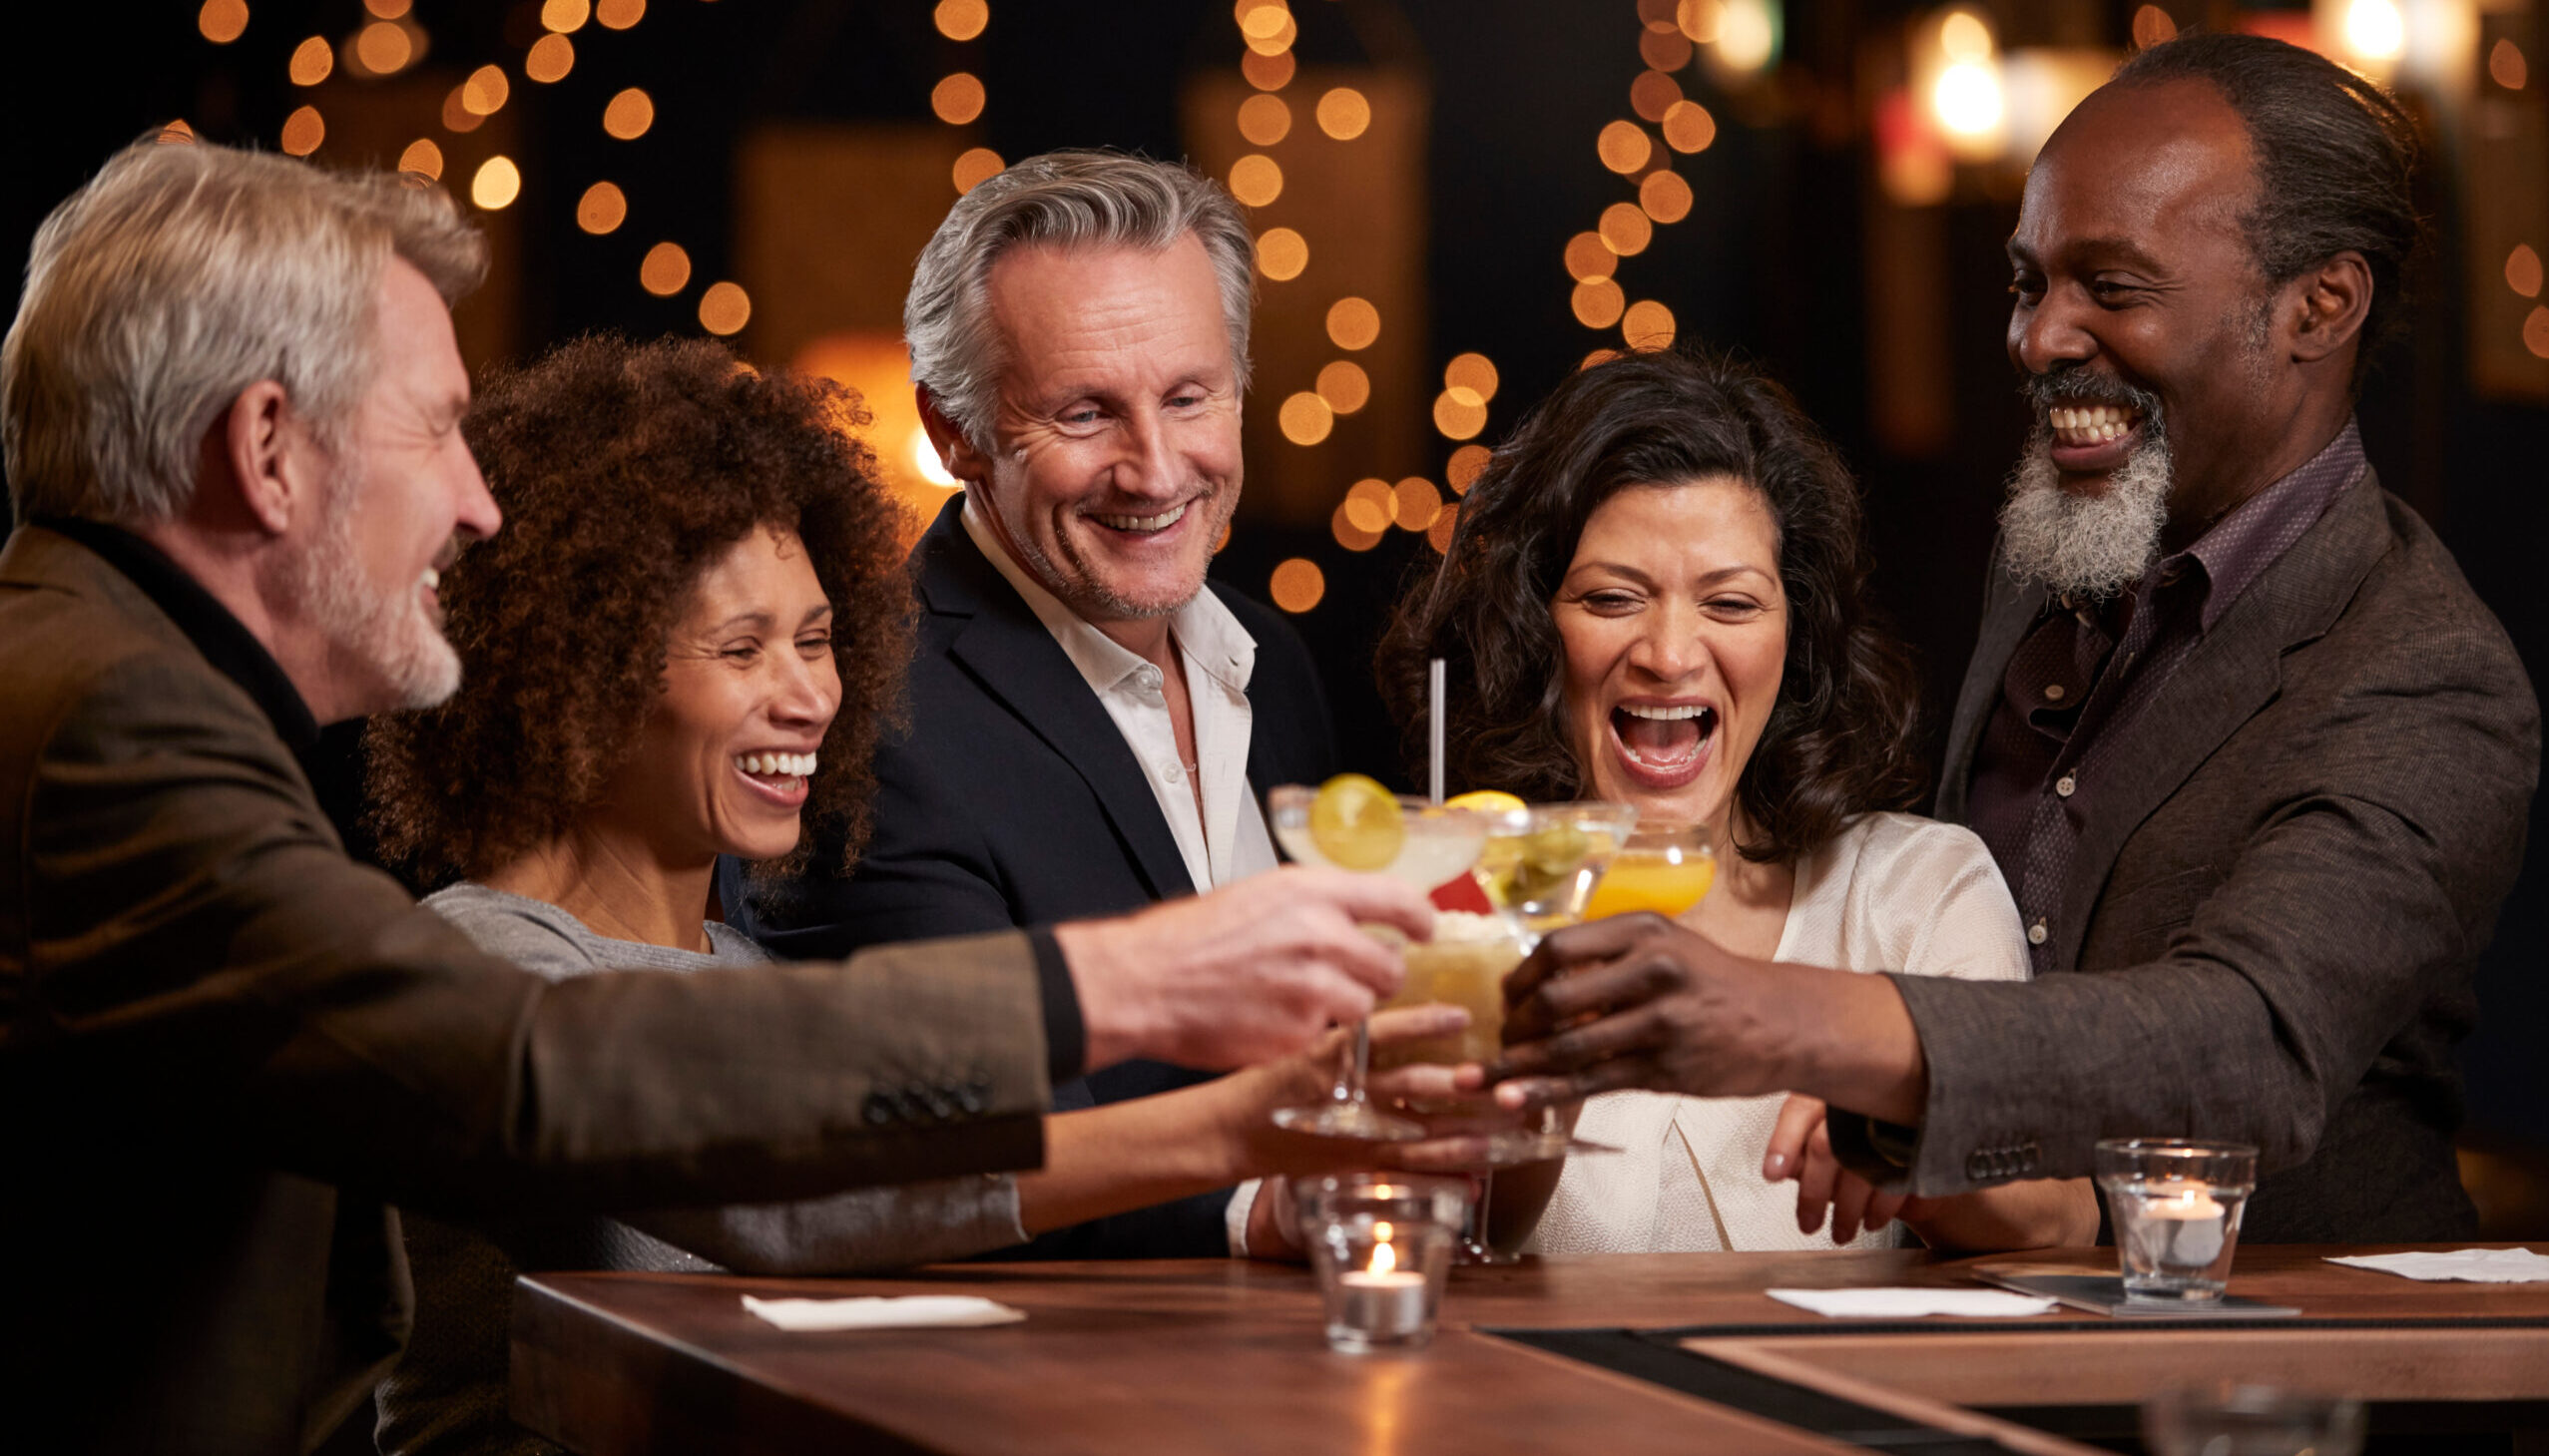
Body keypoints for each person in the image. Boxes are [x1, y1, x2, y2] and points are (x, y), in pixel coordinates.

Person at [0, 138, 1431, 1455]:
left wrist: (1234, 1129)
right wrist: (1118, 987)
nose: (475, 502)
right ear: (266, 448)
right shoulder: (110, 720)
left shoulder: (98, 674)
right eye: (433, 428)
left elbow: (794, 1179)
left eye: (813, 640)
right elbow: (546, 1072)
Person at [1489, 34, 2539, 1244]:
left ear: (2319, 305)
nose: (2040, 341)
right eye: (2029, 283)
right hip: (1996, 1352)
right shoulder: (2058, 547)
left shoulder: (2422, 666)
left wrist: (1795, 1018)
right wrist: (1905, 1122)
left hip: (2283, 1369)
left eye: (2114, 286)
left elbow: (2246, 1043)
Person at [362, 334, 1470, 1456]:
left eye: (818, 639)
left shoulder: (746, 965)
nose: (811, 697)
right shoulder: (478, 960)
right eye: (743, 649)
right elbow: (793, 1188)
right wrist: (1235, 1123)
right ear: (575, 680)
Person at [722, 151, 1338, 1258]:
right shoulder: (857, 716)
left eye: (1190, 396)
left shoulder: (1274, 664)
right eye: (1085, 413)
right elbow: (930, 1144)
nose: (1155, 471)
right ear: (955, 433)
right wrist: (1259, 1205)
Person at [1377, 349, 2095, 1253]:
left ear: (1794, 640)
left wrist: (1910, 1135)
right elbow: (1395, 1233)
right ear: (1533, 629)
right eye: (1611, 597)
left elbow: (2065, 1218)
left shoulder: (1916, 893)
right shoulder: (1441, 899)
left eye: (1730, 603)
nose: (1670, 653)